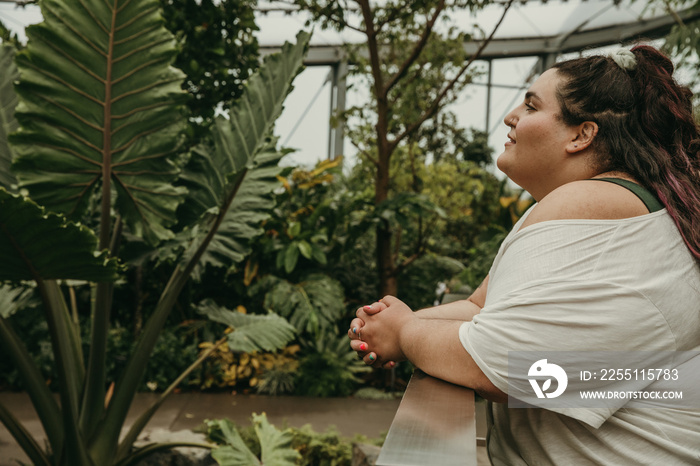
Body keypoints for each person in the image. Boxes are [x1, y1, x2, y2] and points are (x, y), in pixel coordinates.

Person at [348, 45, 700, 464]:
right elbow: (480, 307)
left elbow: (509, 369)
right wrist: (388, 324)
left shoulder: (587, 203)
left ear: (581, 135)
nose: (511, 116)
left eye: (532, 105)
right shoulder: (622, 205)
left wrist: (406, 333)